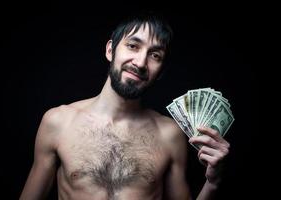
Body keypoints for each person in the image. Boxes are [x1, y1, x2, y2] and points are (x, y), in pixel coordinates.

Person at [20, 12, 230, 200]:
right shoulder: (58, 122)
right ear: (111, 50)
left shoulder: (169, 135)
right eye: (133, 46)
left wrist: (213, 184)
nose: (140, 62)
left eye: (155, 55)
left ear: (160, 72)